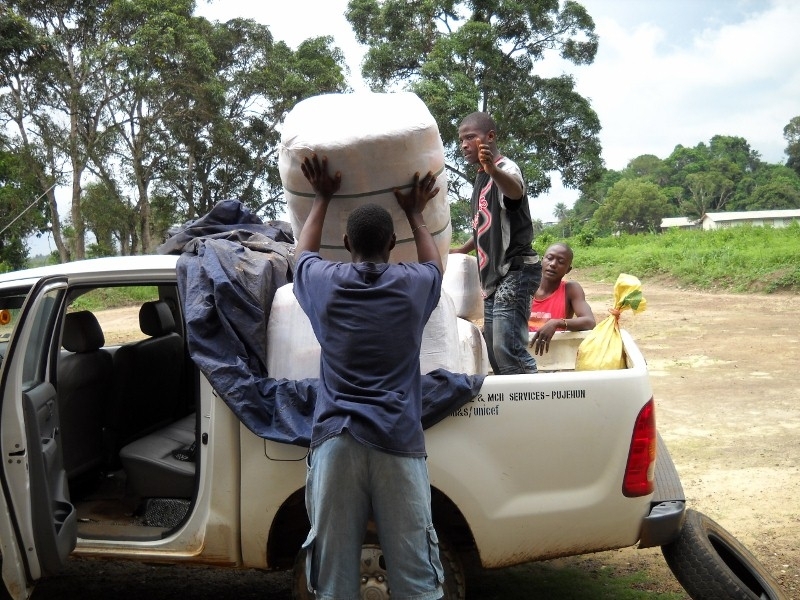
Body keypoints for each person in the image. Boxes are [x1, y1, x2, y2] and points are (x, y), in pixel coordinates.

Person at [293, 153, 445, 600]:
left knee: (333, 580)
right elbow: (435, 265)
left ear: (346, 242)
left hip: (337, 441)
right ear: (393, 244)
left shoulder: (324, 282)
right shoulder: (413, 285)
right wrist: (416, 213)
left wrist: (321, 197)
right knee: (417, 577)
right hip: (397, 440)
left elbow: (301, 255)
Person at [451, 111, 542, 374]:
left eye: (470, 137)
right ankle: (514, 397)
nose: (464, 145)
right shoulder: (481, 177)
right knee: (493, 350)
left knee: (507, 349)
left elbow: (515, 193)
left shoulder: (505, 169)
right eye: (461, 140)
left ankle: (535, 396)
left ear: (490, 137)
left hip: (515, 269)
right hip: (495, 278)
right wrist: (462, 249)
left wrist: (492, 170)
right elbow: (485, 225)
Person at [529, 242, 596, 356]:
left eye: (561, 262)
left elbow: (589, 322)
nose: (553, 264)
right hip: (525, 351)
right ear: (542, 260)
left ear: (568, 269)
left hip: (555, 354)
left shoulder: (570, 289)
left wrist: (556, 323)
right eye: (549, 258)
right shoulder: (526, 287)